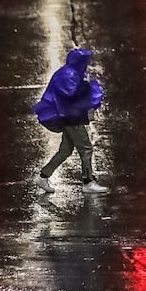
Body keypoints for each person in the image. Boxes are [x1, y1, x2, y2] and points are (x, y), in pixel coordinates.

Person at [32, 48, 109, 195]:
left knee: (65, 150)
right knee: (86, 148)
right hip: (71, 118)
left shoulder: (68, 72)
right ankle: (88, 182)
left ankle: (43, 176)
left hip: (68, 116)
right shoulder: (69, 75)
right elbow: (71, 95)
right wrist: (88, 88)